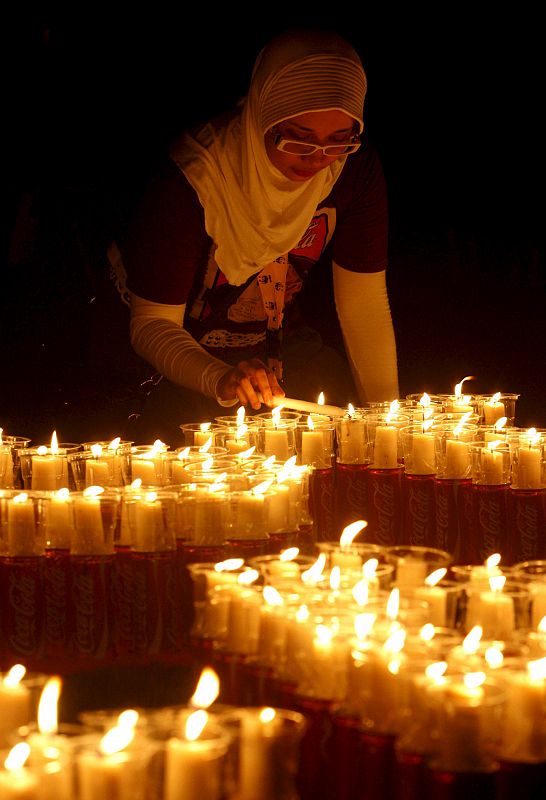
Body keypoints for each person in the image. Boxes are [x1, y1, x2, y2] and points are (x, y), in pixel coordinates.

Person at [111, 27, 399, 445]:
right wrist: (220, 378)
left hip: (269, 345)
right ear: (263, 115)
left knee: (335, 414)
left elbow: (363, 303)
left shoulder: (352, 169)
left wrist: (386, 427)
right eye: (298, 140)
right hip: (158, 357)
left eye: (339, 141)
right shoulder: (193, 179)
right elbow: (153, 325)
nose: (318, 160)